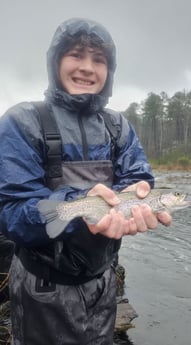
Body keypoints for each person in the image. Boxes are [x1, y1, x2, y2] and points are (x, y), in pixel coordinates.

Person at [0, 18, 171, 345]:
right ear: (55, 61)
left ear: (110, 70)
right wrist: (80, 208)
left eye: (99, 59)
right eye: (76, 55)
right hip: (43, 288)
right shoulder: (22, 122)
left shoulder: (118, 126)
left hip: (102, 282)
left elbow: (138, 179)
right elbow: (11, 213)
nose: (88, 68)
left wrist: (140, 196)